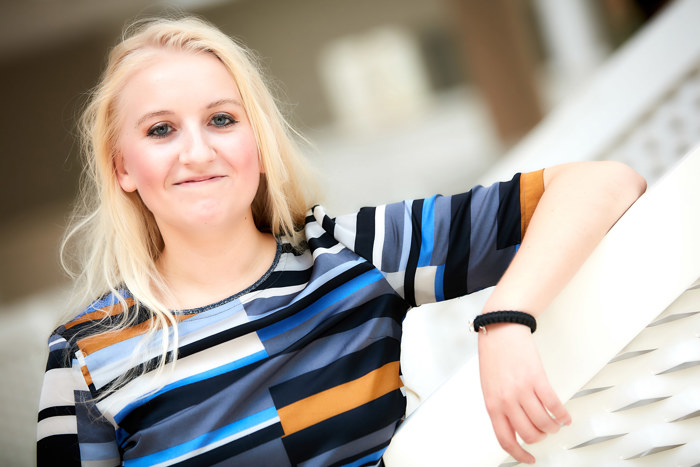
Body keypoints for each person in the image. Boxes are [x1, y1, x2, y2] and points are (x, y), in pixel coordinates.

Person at [36, 16, 646, 466]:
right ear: (122, 167)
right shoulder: (85, 353)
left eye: (222, 119)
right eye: (161, 130)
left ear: (258, 144)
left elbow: (605, 184)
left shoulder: (347, 254)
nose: (197, 151)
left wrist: (506, 318)